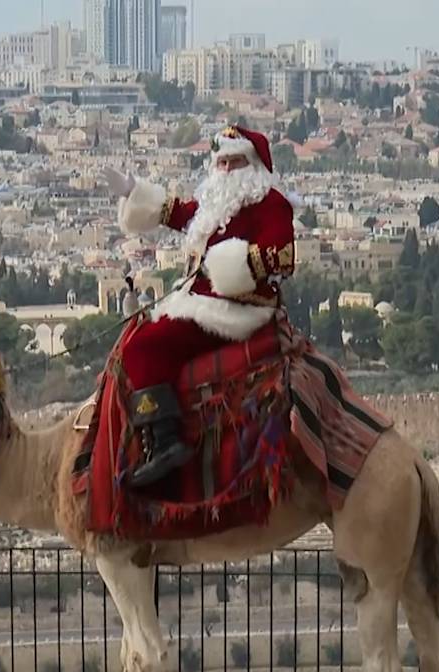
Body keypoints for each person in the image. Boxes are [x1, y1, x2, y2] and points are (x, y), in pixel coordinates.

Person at [101, 125, 296, 487]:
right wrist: (135, 193)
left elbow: (281, 256)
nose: (224, 170)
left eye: (233, 162)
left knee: (147, 346)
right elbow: (182, 213)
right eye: (220, 162)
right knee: (137, 336)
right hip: (198, 301)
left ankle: (166, 442)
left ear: (251, 164)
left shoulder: (271, 204)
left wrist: (231, 265)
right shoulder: (216, 203)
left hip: (236, 309)